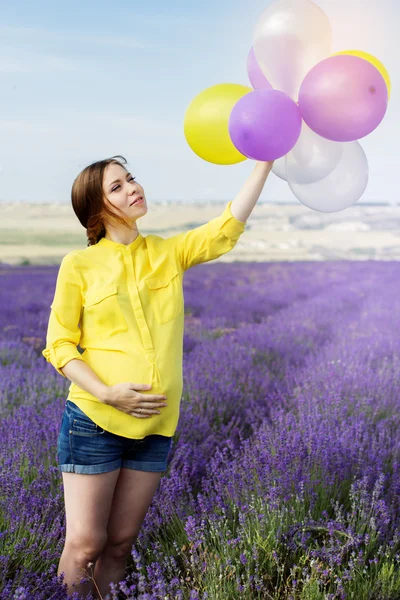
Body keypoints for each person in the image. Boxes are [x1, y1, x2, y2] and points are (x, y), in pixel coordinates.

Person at [42, 154, 274, 599]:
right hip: (94, 422)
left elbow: (225, 230)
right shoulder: (79, 265)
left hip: (155, 427)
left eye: (130, 179)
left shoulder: (167, 253)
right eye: (117, 187)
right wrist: (109, 393)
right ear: (96, 210)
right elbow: (60, 346)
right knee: (85, 544)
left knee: (121, 544)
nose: (133, 188)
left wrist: (263, 164)